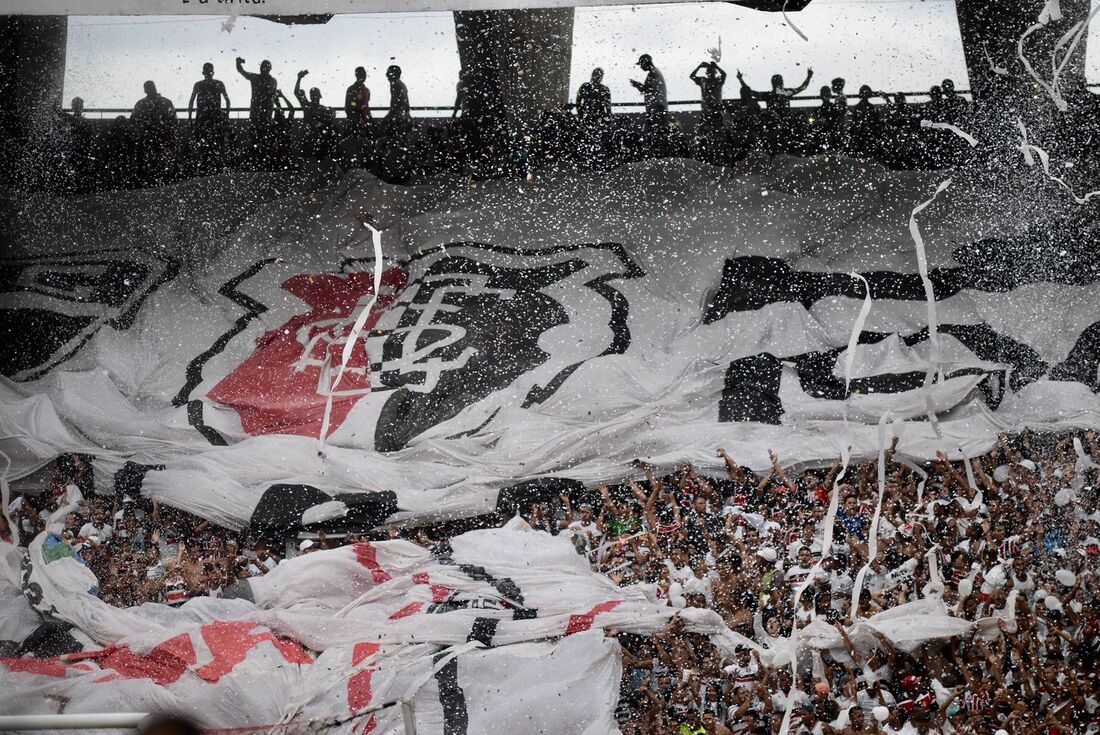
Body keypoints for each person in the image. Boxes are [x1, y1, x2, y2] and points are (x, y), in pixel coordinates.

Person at [188, 63, 230, 146]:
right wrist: (226, 114)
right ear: (212, 72)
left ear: (203, 73)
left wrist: (190, 118)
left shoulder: (199, 85)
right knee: (216, 145)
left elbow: (191, 102)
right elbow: (227, 100)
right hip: (215, 118)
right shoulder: (219, 84)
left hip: (202, 118)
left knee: (202, 145)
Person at [235, 57, 278, 124]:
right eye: (262, 66)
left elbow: (274, 97)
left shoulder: (270, 80)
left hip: (263, 114)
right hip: (259, 114)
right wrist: (238, 63)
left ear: (270, 68)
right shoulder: (257, 78)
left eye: (265, 66)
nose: (262, 68)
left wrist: (238, 63)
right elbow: (241, 71)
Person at [690, 61, 727, 129]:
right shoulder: (703, 81)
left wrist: (717, 67)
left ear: (715, 72)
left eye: (712, 71)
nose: (711, 73)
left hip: (716, 108)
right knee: (706, 128)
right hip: (706, 109)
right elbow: (692, 76)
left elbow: (724, 75)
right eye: (709, 71)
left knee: (717, 128)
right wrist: (699, 66)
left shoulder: (717, 80)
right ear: (707, 73)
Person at [630, 54, 667, 119]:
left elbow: (647, 89)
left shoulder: (653, 73)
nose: (641, 67)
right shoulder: (656, 72)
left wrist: (637, 85)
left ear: (645, 63)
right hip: (659, 107)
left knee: (654, 126)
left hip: (656, 108)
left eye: (641, 64)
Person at [383, 65, 413, 138]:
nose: (386, 75)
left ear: (395, 74)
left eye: (388, 73)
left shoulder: (396, 85)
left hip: (398, 117)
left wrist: (391, 117)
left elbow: (397, 104)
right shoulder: (399, 84)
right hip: (401, 116)